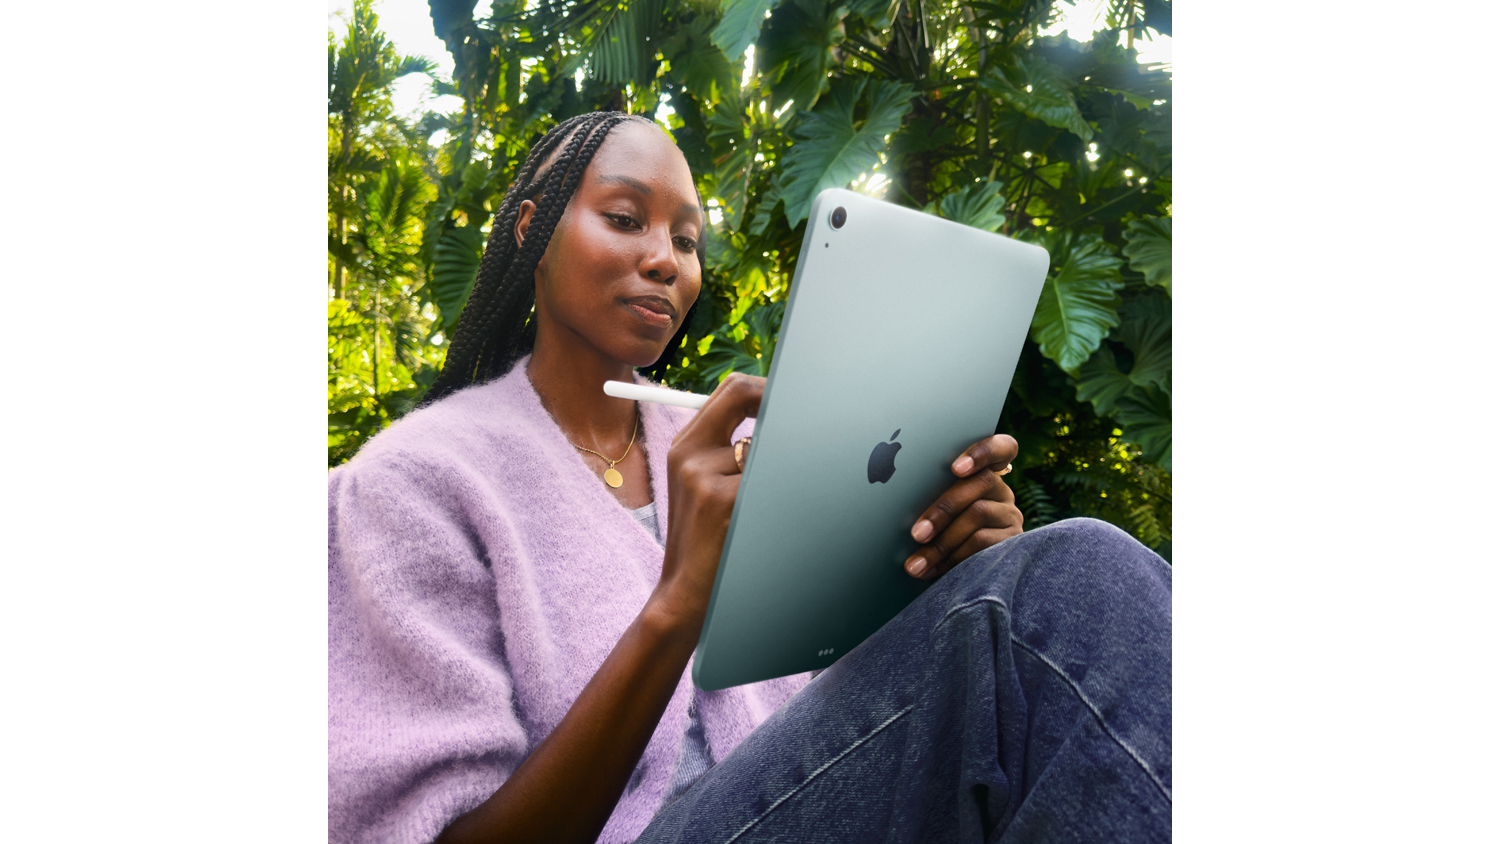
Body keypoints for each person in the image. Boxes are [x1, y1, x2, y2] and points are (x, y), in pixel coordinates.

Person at [328, 111, 1172, 844]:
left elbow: (832, 725)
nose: (667, 259)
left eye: (689, 240)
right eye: (626, 218)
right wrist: (678, 603)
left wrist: (946, 585)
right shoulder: (413, 484)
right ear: (530, 232)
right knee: (1077, 579)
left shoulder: (732, 446)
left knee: (1057, 590)